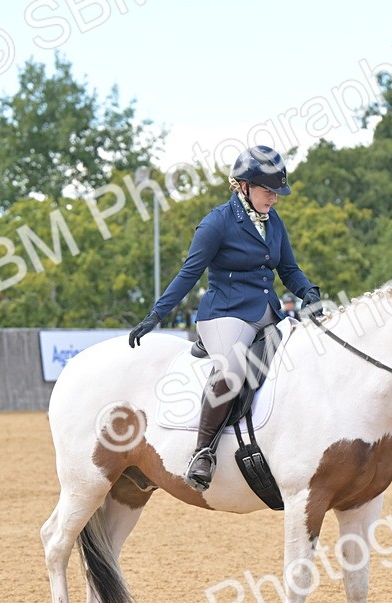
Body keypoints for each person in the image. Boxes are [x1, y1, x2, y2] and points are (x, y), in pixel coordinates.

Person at [127, 145, 322, 491]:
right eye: (268, 191)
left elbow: (288, 269)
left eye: (277, 193)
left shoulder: (272, 221)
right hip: (225, 315)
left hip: (268, 313)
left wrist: (308, 290)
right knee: (233, 369)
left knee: (307, 356)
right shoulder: (216, 223)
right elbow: (189, 273)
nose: (274, 199)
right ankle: (203, 452)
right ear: (243, 186)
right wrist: (155, 315)